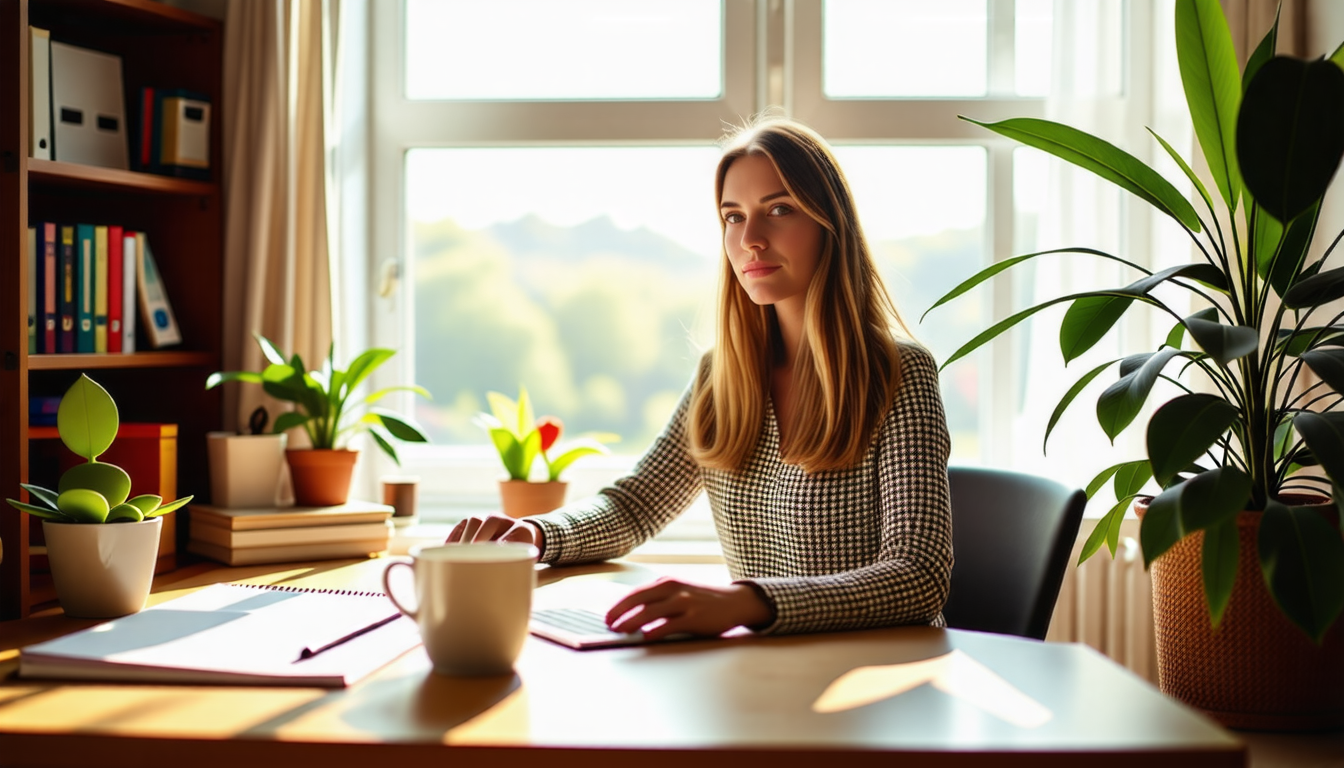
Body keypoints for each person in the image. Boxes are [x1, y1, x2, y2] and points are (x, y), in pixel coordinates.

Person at [449, 115, 953, 640]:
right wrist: (536, 534)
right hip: (765, 670)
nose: (750, 239)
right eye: (733, 217)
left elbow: (918, 577)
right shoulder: (724, 374)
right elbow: (635, 505)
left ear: (830, 224)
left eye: (779, 210)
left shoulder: (899, 375)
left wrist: (744, 603)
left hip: (874, 675)